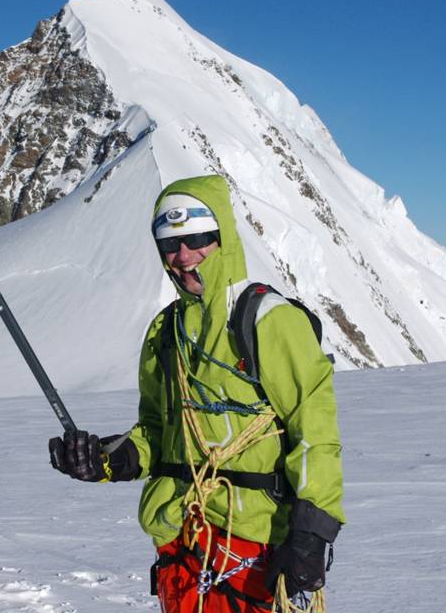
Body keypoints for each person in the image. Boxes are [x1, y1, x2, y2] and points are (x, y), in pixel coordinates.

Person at [49, 175, 345, 612]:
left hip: (255, 546)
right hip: (181, 545)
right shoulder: (166, 331)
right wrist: (109, 460)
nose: (184, 256)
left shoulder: (270, 320)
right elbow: (159, 431)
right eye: (170, 244)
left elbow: (315, 433)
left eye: (198, 239)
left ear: (222, 237)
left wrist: (311, 533)